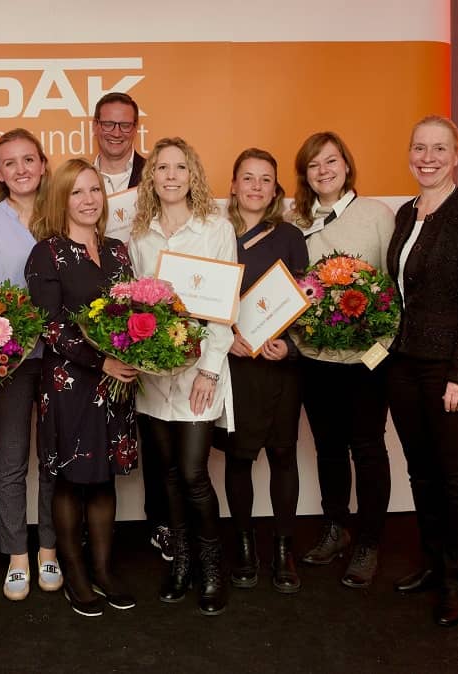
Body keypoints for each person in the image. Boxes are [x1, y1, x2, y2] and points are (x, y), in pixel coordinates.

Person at [386, 116, 458, 627]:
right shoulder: (406, 215)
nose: (426, 158)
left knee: (457, 479)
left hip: (452, 371)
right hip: (405, 366)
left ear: (457, 154)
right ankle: (433, 564)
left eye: (438, 149)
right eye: (418, 148)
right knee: (422, 473)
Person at [25, 158, 139, 617]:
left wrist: (138, 352)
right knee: (72, 480)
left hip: (117, 384)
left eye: (95, 190)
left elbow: (135, 316)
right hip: (70, 383)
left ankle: (105, 570)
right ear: (61, 200)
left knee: (104, 477)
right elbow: (47, 325)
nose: (88, 200)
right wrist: (102, 360)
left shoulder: (118, 252)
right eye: (77, 192)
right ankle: (75, 574)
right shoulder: (46, 253)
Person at [128, 137, 237, 616]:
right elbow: (134, 306)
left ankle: (213, 569)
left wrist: (209, 371)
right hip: (155, 376)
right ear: (151, 178)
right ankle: (182, 563)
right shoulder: (139, 235)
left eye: (180, 167)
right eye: (161, 168)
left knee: (194, 472)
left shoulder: (215, 227)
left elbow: (222, 310)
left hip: (200, 371)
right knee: (169, 473)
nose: (170, 175)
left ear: (193, 175)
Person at [287, 131, 394, 589]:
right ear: (305, 175)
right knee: (328, 448)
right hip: (314, 357)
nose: (324, 170)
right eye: (314, 165)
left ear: (346, 165)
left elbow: (396, 288)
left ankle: (369, 542)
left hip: (368, 360)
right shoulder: (295, 222)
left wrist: (380, 351)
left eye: (331, 161)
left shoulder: (376, 216)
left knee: (367, 448)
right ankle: (336, 527)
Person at [0, 129, 61, 600]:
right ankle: (17, 555)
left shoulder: (62, 213)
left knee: (52, 458)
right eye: (10, 162)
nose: (21, 169)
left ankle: (49, 549)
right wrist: (9, 340)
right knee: (9, 461)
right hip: (10, 358)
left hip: (63, 355)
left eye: (29, 159)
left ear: (43, 164)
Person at [214, 148, 308, 594]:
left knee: (283, 455)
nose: (255, 186)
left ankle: (284, 549)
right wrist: (224, 339)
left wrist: (288, 346)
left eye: (265, 179)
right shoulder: (214, 234)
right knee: (239, 458)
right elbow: (199, 300)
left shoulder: (289, 236)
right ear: (232, 185)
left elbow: (306, 300)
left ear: (275, 189)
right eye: (247, 178)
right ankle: (246, 546)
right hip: (234, 365)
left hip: (278, 366)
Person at [91, 92, 166, 558]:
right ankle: (97, 532)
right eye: (108, 124)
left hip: (150, 318)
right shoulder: (79, 175)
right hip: (96, 320)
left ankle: (162, 524)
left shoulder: (157, 173)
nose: (116, 132)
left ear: (136, 128)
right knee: (96, 427)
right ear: (94, 125)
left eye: (125, 125)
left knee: (157, 432)